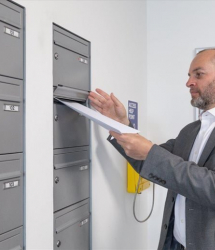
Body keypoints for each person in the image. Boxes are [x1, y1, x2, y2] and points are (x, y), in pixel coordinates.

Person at [88, 49, 215, 250]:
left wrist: (150, 152)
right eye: (189, 76)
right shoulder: (190, 131)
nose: (189, 82)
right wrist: (120, 125)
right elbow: (148, 161)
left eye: (198, 74)